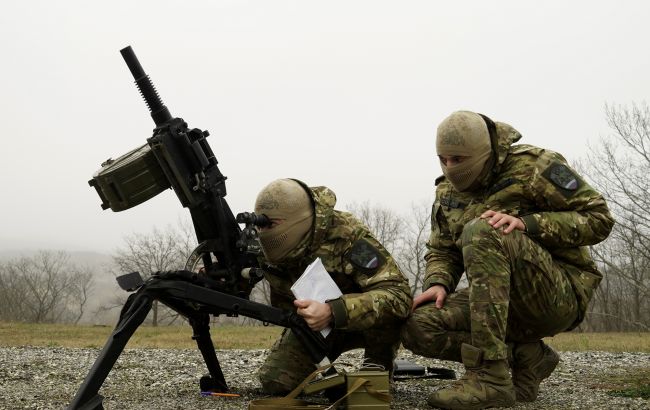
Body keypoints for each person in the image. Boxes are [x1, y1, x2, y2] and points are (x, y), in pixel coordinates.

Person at [400, 111, 614, 409]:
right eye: (443, 159)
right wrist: (439, 282)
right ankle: (529, 357)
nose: (450, 168)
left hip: (556, 294)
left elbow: (599, 218)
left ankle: (490, 376)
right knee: (417, 324)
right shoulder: (447, 191)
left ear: (483, 153)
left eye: (458, 159)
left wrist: (529, 224)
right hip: (493, 301)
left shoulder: (535, 167)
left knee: (485, 229)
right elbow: (442, 249)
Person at [252, 178, 413, 395]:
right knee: (277, 383)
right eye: (260, 225)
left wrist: (332, 311)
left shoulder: (347, 235)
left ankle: (378, 363)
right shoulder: (262, 246)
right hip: (314, 325)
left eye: (270, 225)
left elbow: (398, 295)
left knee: (369, 392)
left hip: (367, 324)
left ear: (296, 220)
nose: (264, 232)